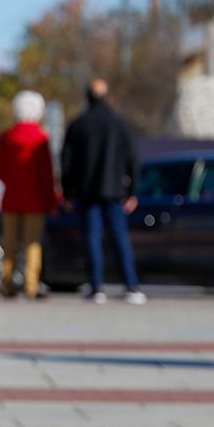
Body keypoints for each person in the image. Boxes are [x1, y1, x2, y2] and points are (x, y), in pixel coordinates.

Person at [60, 79, 146, 305]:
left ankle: (96, 287)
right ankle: (131, 286)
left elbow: (66, 162)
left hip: (87, 192)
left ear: (87, 97)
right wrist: (132, 191)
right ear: (108, 97)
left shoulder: (79, 124)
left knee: (92, 238)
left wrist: (68, 192)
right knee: (119, 238)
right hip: (115, 191)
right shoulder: (119, 124)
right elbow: (133, 159)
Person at [0, 90, 57, 300]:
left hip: (11, 197)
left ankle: (7, 283)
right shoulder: (41, 139)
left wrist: (12, 180)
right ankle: (31, 285)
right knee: (32, 244)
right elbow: (46, 174)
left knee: (9, 243)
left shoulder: (6, 138)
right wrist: (52, 199)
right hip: (35, 199)